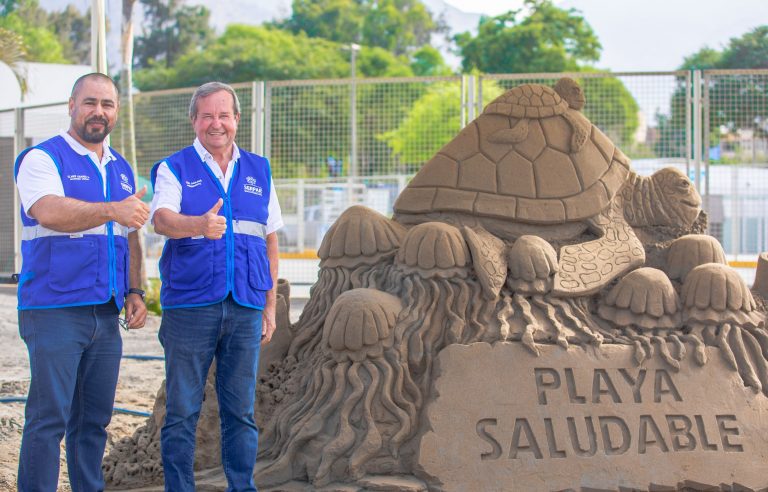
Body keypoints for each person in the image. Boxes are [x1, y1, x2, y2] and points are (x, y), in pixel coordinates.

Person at [13, 72, 149, 491]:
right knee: (48, 419)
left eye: (107, 105)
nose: (98, 112)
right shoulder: (42, 159)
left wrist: (135, 291)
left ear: (116, 112)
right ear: (71, 105)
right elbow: (49, 211)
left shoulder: (120, 167)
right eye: (90, 103)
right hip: (54, 310)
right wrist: (112, 209)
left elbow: (131, 235)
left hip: (105, 315)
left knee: (93, 421)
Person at [150, 81, 282, 491]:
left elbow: (270, 238)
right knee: (183, 409)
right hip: (190, 307)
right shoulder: (175, 167)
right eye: (207, 115)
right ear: (194, 120)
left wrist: (270, 305)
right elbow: (161, 220)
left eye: (224, 115)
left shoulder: (259, 169)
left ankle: (241, 486)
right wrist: (197, 225)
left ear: (237, 120)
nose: (216, 123)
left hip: (244, 305)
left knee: (240, 411)